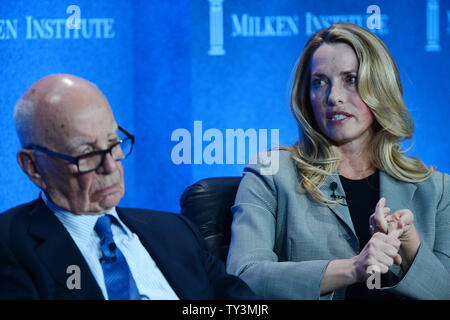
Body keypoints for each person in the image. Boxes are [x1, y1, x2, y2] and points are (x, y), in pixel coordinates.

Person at [226, 22, 450, 300]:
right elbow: (243, 277)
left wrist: (409, 246)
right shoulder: (271, 173)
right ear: (306, 96)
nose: (333, 97)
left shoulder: (437, 189)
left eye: (351, 79)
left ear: (379, 86)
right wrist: (354, 268)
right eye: (319, 82)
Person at [0, 74, 257, 300]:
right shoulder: (11, 247)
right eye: (86, 154)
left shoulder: (176, 232)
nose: (110, 167)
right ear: (33, 166)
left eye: (113, 144)